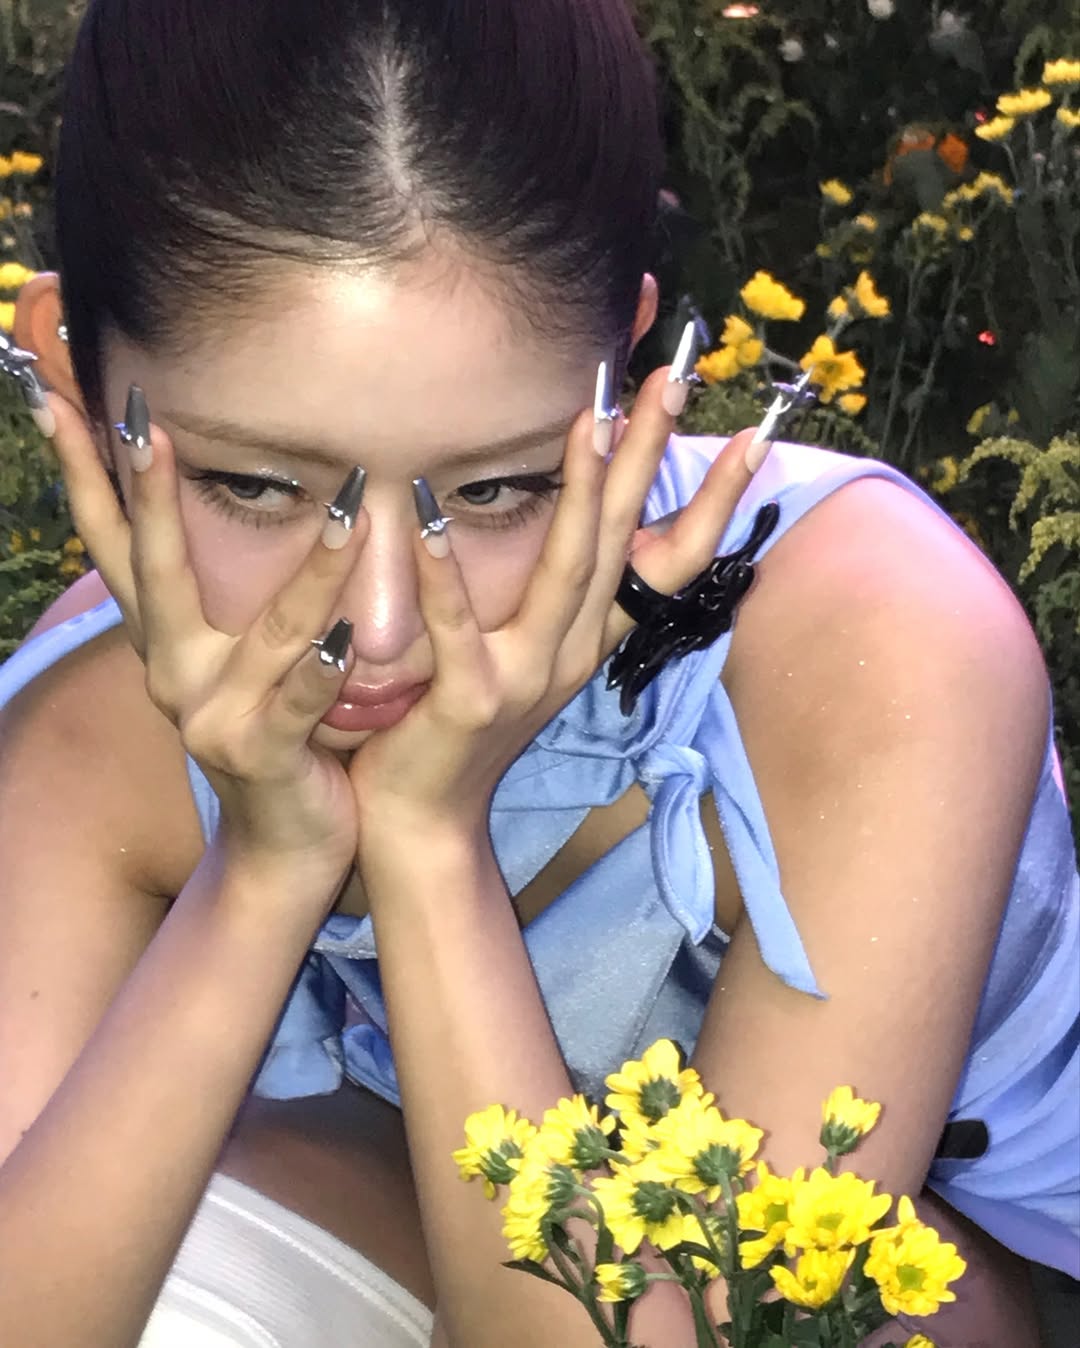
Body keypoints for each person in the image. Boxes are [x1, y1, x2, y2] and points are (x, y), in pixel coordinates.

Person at [0, 1, 1076, 1344]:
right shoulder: (88, 724)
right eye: (257, 486)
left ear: (628, 367)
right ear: (71, 373)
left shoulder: (875, 643)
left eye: (499, 486)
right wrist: (262, 871)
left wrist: (428, 847)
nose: (381, 626)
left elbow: (749, 1324)